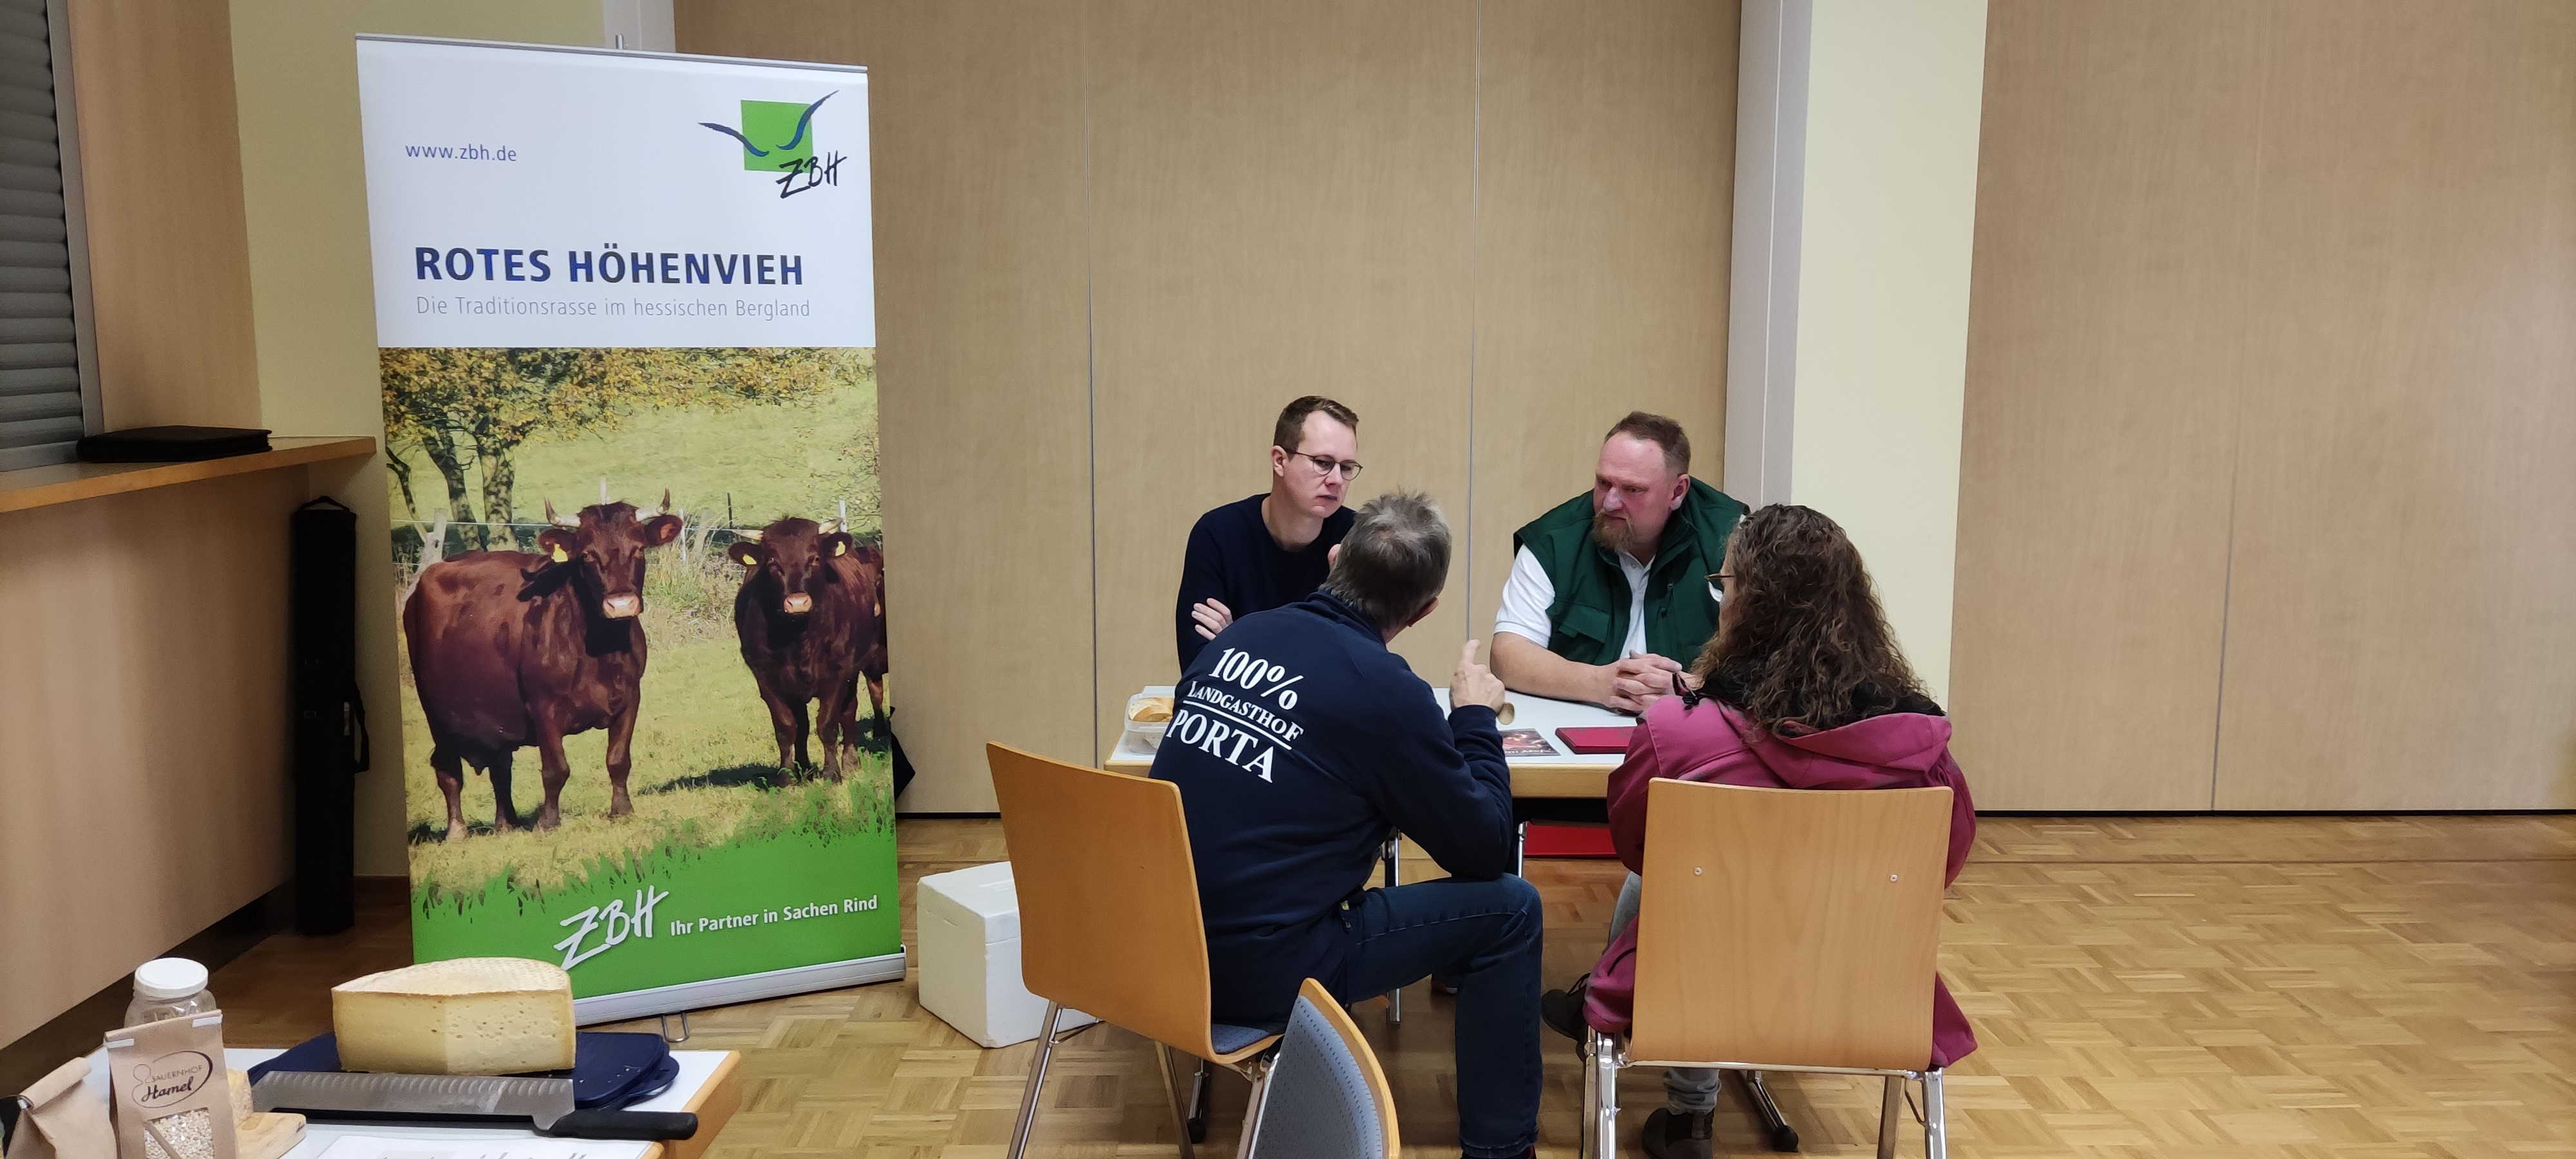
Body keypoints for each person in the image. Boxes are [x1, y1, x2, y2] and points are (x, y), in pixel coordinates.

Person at [1541, 504, 1978, 1159]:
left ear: (1748, 604)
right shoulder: (1922, 753)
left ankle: (1689, 1113)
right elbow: (1942, 863)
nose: (1721, 600)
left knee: (1655, 884)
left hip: (1700, 987)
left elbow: (1636, 847)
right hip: (1866, 994)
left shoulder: (1678, 735)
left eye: (1727, 584)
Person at [1152, 492, 1540, 1159]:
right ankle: (1501, 1152)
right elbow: (1484, 850)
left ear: (1334, 560)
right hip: (1260, 971)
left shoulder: (1244, 634)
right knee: (1511, 909)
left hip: (1154, 945)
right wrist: (1474, 716)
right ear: (1424, 611)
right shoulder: (1388, 693)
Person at [1491, 411, 1747, 713]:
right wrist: (1599, 683)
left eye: (1632, 489)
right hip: (1579, 728)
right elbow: (1508, 655)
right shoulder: (1554, 540)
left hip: (1694, 737)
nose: (1610, 502)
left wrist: (1688, 686)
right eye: (1603, 483)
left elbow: (1777, 661)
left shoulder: (1732, 538)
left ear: (1677, 491)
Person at [1173, 395, 1363, 670]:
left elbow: (1355, 668)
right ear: (1279, 460)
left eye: (1346, 468)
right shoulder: (1218, 534)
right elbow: (1199, 667)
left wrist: (1237, 640)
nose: (1336, 480)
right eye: (1322, 462)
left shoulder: (1357, 538)